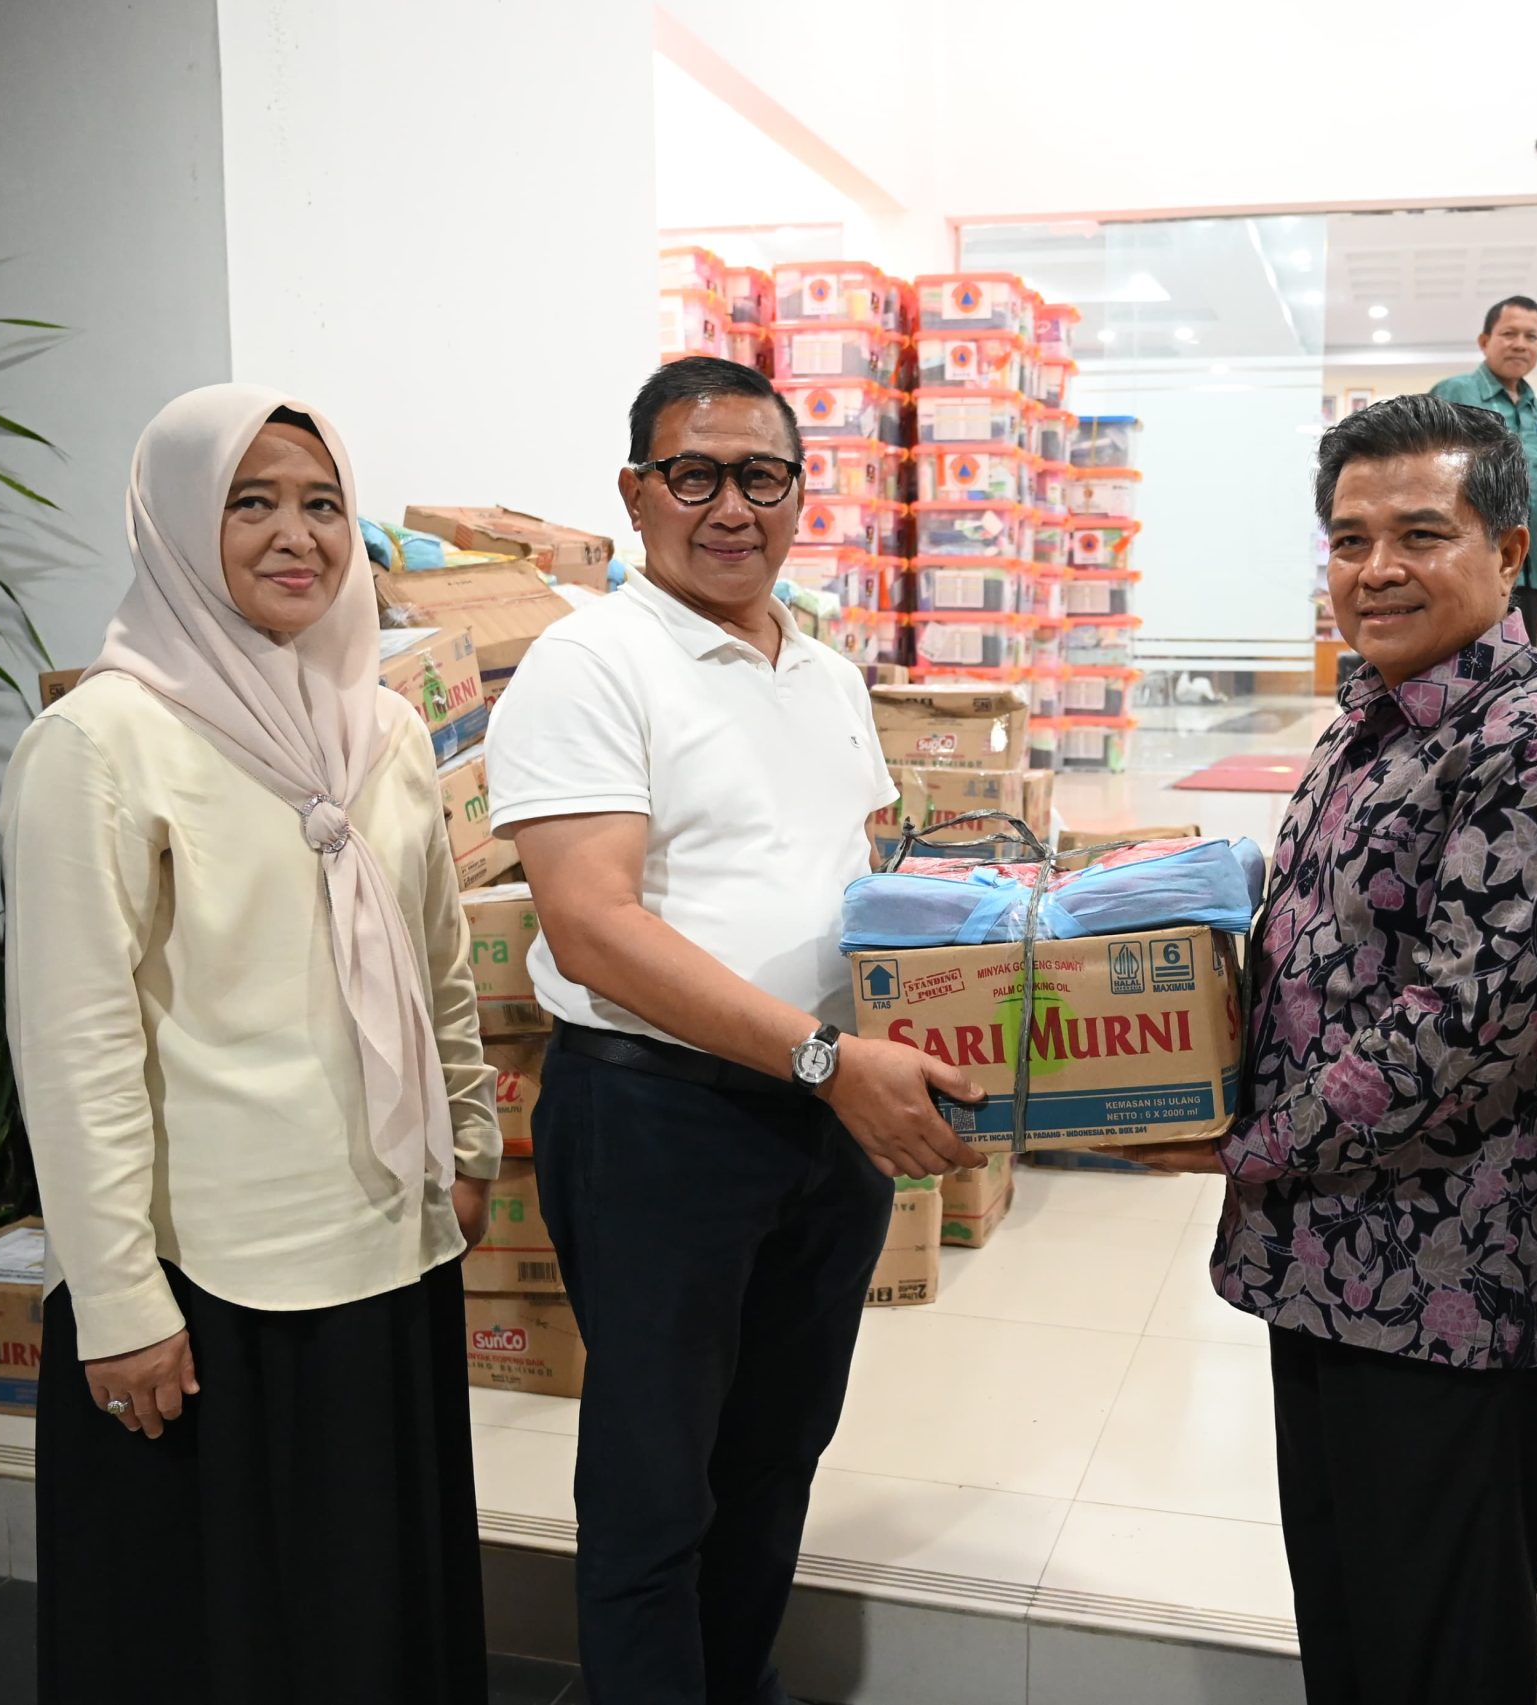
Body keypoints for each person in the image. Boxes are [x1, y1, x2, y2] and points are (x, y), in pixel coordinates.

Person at [1124, 395, 1537, 1704]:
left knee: (1436, 1654)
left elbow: (1453, 1033)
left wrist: (1240, 1143)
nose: (1376, 569)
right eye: (1349, 538)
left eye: (1421, 533)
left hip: (1447, 1296)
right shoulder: (1373, 722)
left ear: (1511, 548)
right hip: (1324, 1263)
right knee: (1354, 1632)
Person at [484, 356, 987, 1705]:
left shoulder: (821, 672)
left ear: (800, 493)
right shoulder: (592, 662)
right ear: (635, 492)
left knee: (773, 1458)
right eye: (694, 475)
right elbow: (591, 926)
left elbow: (852, 871)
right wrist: (823, 1058)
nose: (730, 507)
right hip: (661, 1117)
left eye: (761, 476)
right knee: (655, 1485)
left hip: (824, 1114)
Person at [0, 386, 499, 1704]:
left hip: (385, 1243)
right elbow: (74, 1043)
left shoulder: (380, 729)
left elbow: (438, 961)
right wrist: (118, 1304)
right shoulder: (100, 743)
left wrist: (468, 1144)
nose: (297, 535)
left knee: (369, 1613)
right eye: (251, 502)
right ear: (173, 523)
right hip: (208, 1279)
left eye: (323, 503)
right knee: (220, 1638)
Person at [1432, 295, 1537, 642]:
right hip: (1470, 562)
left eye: (1531, 337)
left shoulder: (1535, 409)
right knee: (1463, 663)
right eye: (1509, 334)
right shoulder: (1455, 391)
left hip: (1525, 567)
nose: (1520, 344)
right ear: (1484, 341)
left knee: (1517, 665)